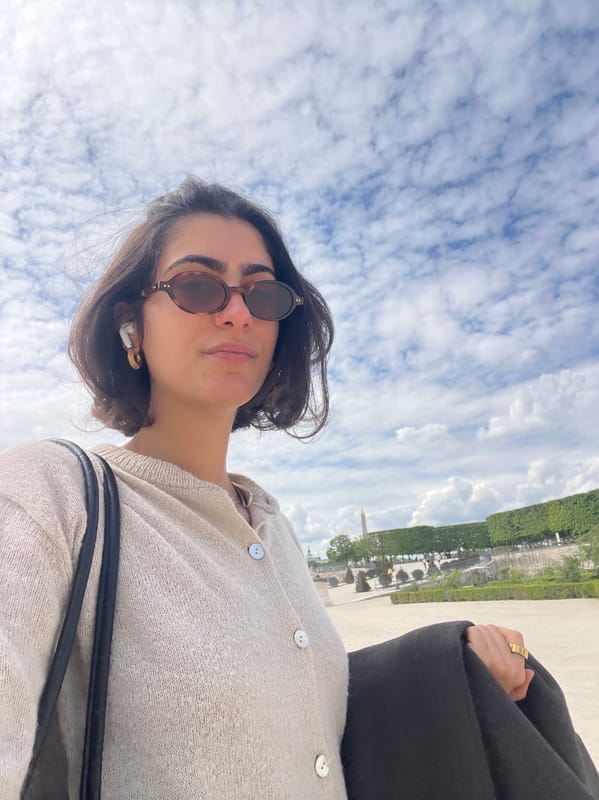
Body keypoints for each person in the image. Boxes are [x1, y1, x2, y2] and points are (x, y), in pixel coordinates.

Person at [0, 177, 533, 799]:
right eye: (197, 285)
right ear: (129, 325)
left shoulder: (272, 526)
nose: (238, 312)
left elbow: (299, 720)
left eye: (263, 294)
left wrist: (449, 664)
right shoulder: (50, 495)